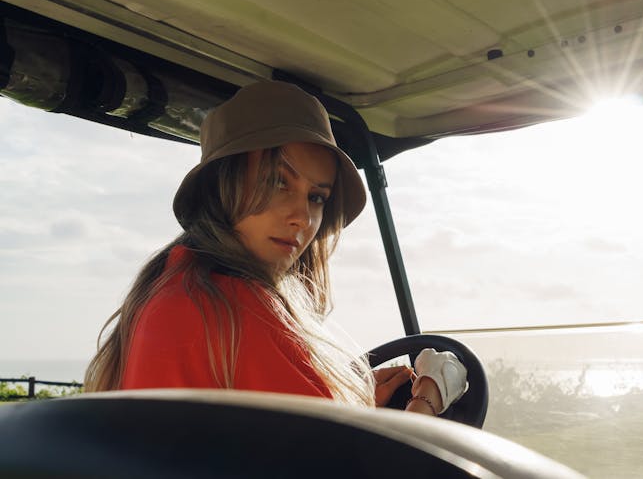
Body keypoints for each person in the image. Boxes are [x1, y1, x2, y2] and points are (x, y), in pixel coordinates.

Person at [84, 80, 467, 416]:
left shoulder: (173, 284)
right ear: (224, 185)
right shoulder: (233, 306)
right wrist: (429, 398)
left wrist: (354, 397)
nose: (302, 217)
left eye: (317, 197)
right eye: (277, 182)